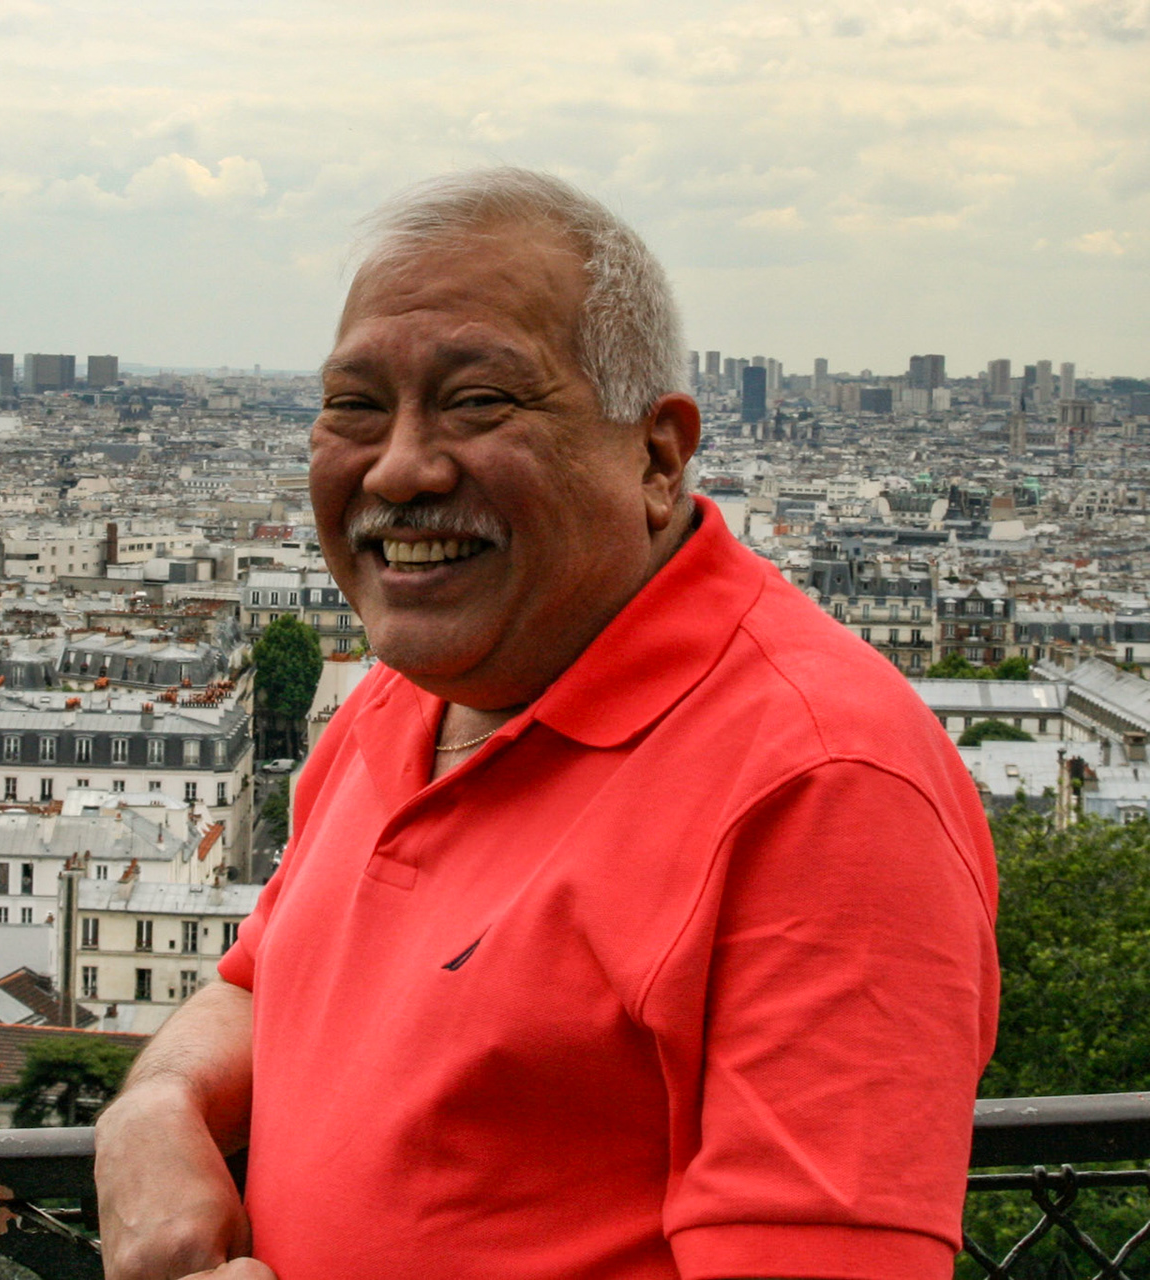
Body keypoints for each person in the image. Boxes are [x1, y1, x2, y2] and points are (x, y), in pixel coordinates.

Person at [93, 168, 999, 1280]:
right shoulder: (408, 689)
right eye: (355, 406)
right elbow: (266, 984)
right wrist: (159, 1101)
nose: (400, 466)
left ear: (655, 457)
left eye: (478, 401)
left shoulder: (825, 785)